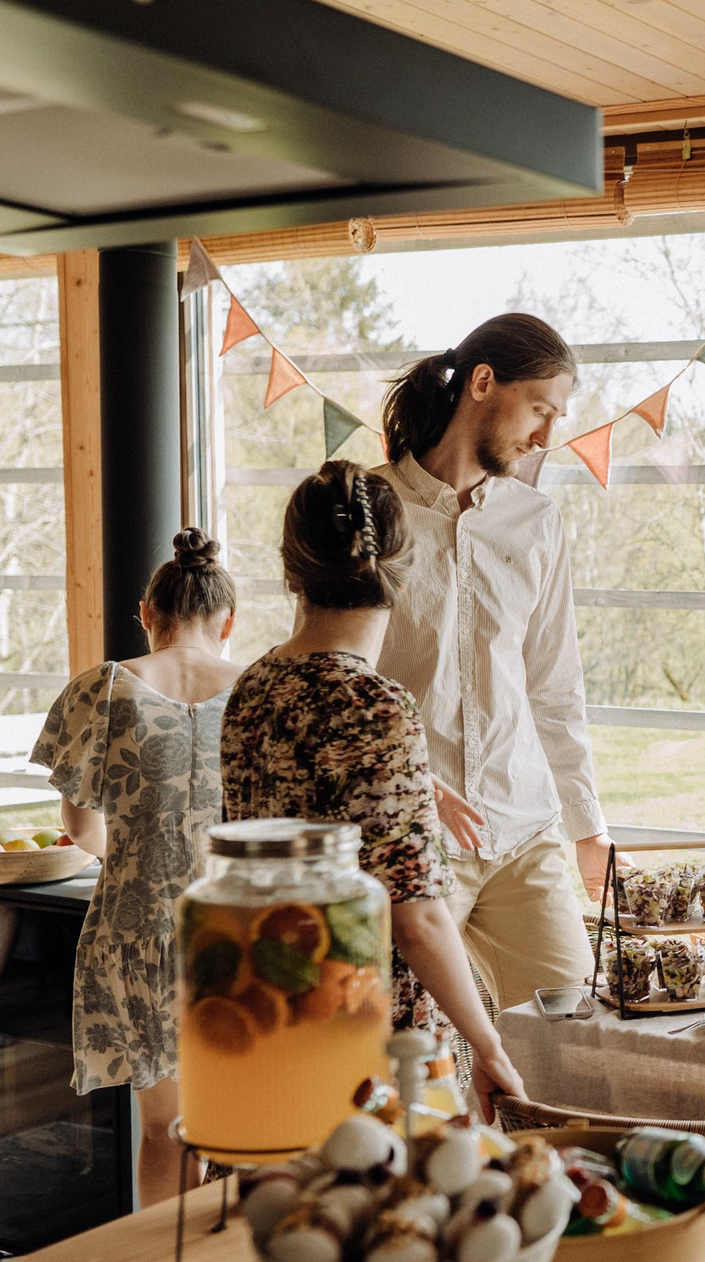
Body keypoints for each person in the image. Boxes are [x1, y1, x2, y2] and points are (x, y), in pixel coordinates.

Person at [221, 461, 525, 1110]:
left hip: (270, 1014)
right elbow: (415, 919)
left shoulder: (253, 687)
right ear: (404, 568)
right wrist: (488, 1045)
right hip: (368, 1047)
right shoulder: (373, 706)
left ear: (290, 569)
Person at [372, 314, 606, 1012]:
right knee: (414, 1056)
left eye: (557, 417)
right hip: (413, 834)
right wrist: (403, 775)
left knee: (572, 1029)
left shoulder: (537, 521)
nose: (545, 436)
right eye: (540, 409)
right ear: (482, 383)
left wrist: (586, 826)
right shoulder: (371, 508)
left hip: (522, 830)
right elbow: (333, 676)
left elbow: (554, 684)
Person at [30, 529, 240, 1209]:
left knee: (166, 1134)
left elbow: (82, 829)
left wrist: (138, 853)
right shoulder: (260, 691)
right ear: (228, 622)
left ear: (148, 615)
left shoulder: (102, 688)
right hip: (241, 931)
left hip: (138, 929)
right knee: (255, 1125)